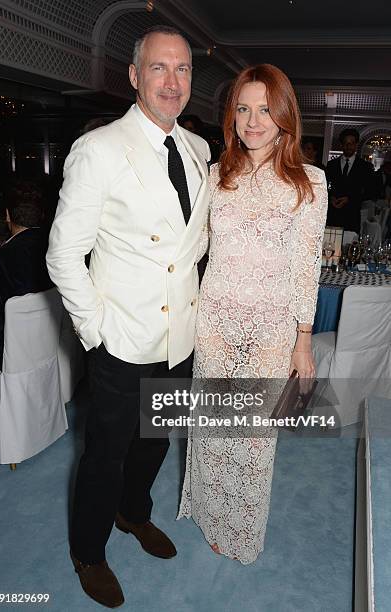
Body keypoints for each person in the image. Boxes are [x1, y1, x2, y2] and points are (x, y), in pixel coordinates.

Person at [46, 26, 210, 608]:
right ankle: (88, 550)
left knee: (156, 442)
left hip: (179, 336)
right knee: (105, 454)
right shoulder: (100, 149)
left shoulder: (198, 150)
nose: (172, 81)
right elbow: (64, 254)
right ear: (135, 77)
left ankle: (131, 513)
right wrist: (96, 333)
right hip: (121, 338)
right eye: (159, 69)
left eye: (183, 69)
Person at [177, 64, 327, 564]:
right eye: (243, 108)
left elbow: (307, 265)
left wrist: (302, 340)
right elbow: (194, 244)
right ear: (231, 115)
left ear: (285, 115)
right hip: (216, 319)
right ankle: (208, 510)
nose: (253, 120)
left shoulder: (310, 181)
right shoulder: (218, 172)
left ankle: (240, 528)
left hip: (270, 328)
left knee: (254, 435)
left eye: (265, 109)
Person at [0, 180, 52, 371]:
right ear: (42, 215)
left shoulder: (6, 256)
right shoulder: (53, 245)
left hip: (9, 351)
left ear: (7, 215)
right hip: (46, 340)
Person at [325, 128, 374, 232]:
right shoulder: (331, 165)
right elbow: (326, 187)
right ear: (341, 145)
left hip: (352, 215)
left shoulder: (365, 167)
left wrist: (350, 199)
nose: (348, 146)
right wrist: (331, 198)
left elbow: (370, 192)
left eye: (351, 143)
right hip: (333, 215)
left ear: (356, 145)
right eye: (346, 143)